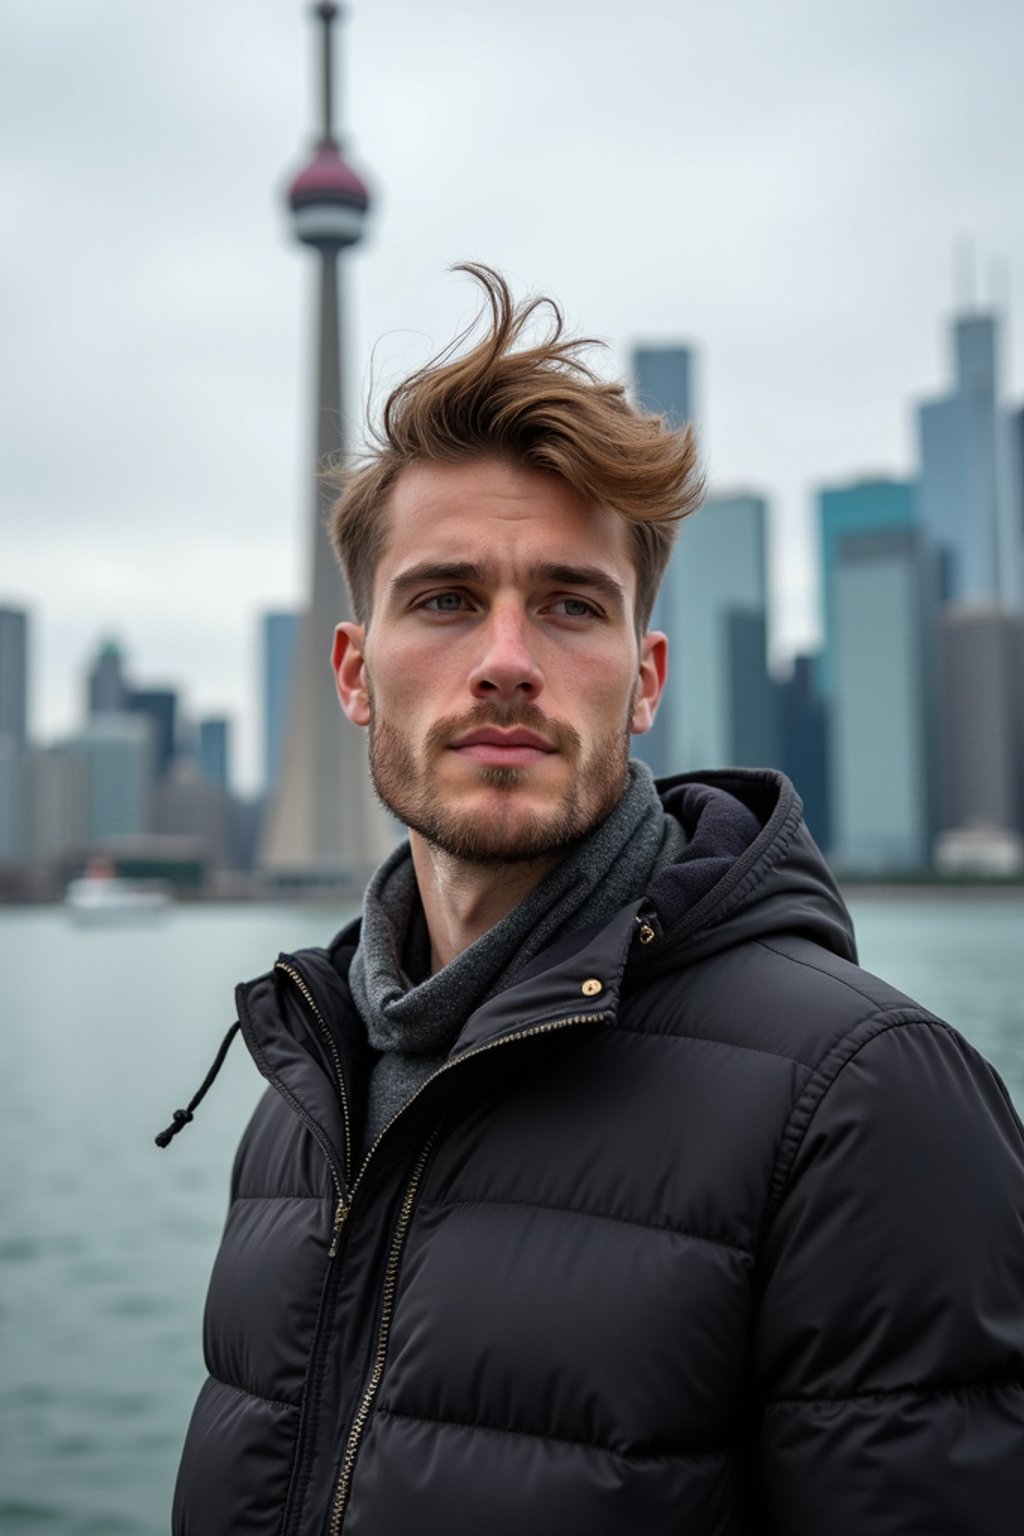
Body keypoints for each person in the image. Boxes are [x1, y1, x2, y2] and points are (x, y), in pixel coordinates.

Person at [163, 265, 1024, 1535]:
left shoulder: (864, 1102)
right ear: (353, 673)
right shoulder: (308, 1091)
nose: (506, 663)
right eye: (446, 599)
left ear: (645, 678)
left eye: (571, 607)